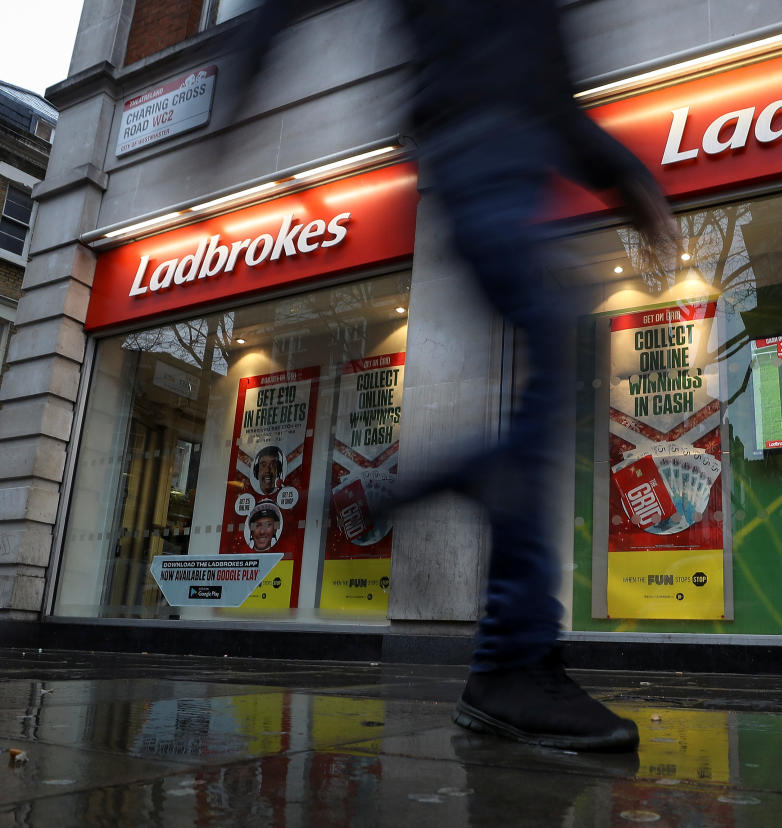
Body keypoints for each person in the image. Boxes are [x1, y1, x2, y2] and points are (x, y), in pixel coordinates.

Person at [231, 0, 676, 752]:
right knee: (545, 389)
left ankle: (468, 517)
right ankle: (509, 655)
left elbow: (545, 89)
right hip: (476, 160)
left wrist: (628, 180)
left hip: (508, 164)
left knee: (550, 381)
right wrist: (236, 84)